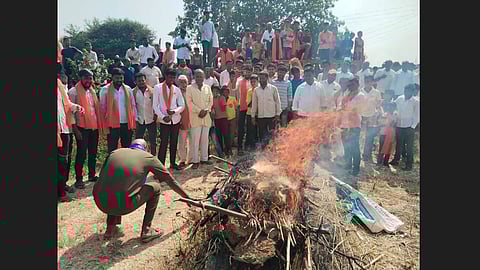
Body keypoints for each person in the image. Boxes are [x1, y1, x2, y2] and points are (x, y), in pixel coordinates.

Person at [92, 138, 192, 241]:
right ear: (145, 148)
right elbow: (170, 181)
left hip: (100, 201)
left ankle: (110, 229)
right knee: (155, 187)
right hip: (122, 205)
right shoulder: (148, 158)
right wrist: (187, 197)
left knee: (115, 182)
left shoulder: (115, 152)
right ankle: (147, 230)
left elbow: (104, 176)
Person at [68, 68, 103, 189]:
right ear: (80, 78)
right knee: (81, 153)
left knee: (93, 152)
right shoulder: (73, 92)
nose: (89, 80)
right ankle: (78, 179)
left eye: (91, 78)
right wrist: (75, 130)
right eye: (86, 78)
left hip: (93, 127)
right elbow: (70, 112)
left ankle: (92, 175)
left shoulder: (92, 91)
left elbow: (94, 109)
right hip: (81, 128)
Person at [58, 74, 85, 201]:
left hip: (64, 130)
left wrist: (77, 107)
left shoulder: (60, 89)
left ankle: (62, 188)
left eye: (65, 84)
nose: (65, 86)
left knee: (63, 161)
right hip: (58, 130)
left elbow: (67, 104)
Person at [152, 68, 185, 170]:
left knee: (174, 142)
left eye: (173, 77)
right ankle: (160, 165)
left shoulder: (177, 89)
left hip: (175, 119)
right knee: (163, 143)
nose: (171, 79)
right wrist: (162, 116)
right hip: (164, 120)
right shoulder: (157, 88)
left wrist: (174, 111)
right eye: (170, 77)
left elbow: (182, 105)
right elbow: (155, 106)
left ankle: (172, 162)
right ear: (165, 76)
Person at [100, 68, 137, 153]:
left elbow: (133, 105)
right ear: (112, 78)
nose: (119, 80)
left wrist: (135, 119)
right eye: (117, 78)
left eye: (121, 78)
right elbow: (103, 108)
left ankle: (126, 165)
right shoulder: (105, 90)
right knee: (112, 148)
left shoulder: (128, 89)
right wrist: (104, 123)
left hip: (126, 122)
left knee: (127, 148)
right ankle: (112, 165)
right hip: (112, 124)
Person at [186, 69, 214, 169]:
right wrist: (199, 111)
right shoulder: (189, 88)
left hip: (206, 117)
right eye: (197, 76)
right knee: (195, 140)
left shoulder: (207, 88)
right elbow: (189, 102)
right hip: (195, 117)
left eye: (201, 76)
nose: (199, 78)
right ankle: (195, 161)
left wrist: (206, 110)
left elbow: (211, 100)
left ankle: (204, 159)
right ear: (194, 77)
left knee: (204, 139)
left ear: (203, 77)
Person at [338, 78, 366, 176]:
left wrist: (345, 110)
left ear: (357, 85)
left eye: (353, 84)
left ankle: (356, 168)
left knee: (354, 147)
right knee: (346, 146)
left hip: (354, 125)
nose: (351, 86)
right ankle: (348, 164)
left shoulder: (360, 96)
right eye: (350, 85)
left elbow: (358, 109)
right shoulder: (347, 95)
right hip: (344, 125)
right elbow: (341, 107)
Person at [389, 84, 419, 171]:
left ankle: (409, 164)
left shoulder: (416, 102)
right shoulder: (400, 98)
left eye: (409, 91)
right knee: (399, 144)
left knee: (409, 146)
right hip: (399, 125)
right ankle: (396, 160)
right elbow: (394, 105)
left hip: (409, 127)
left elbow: (417, 115)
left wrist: (412, 127)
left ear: (413, 91)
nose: (406, 93)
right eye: (405, 90)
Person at [251, 70, 281, 148]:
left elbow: (277, 101)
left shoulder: (273, 88)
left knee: (272, 135)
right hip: (261, 116)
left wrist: (278, 114)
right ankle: (263, 152)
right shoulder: (256, 90)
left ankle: (273, 150)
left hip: (271, 116)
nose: (261, 80)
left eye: (263, 78)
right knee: (262, 135)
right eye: (260, 79)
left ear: (267, 78)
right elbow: (254, 104)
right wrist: (253, 116)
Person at [132, 73, 157, 156]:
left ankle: (153, 158)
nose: (141, 82)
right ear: (135, 82)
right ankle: (139, 158)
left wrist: (156, 115)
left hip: (151, 119)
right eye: (139, 81)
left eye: (143, 80)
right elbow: (132, 107)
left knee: (153, 141)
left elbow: (156, 105)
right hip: (139, 120)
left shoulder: (152, 91)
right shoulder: (133, 92)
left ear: (145, 80)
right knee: (138, 141)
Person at [360, 75, 382, 162]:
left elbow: (379, 105)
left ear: (372, 82)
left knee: (369, 137)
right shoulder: (360, 91)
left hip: (372, 117)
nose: (368, 83)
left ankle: (366, 154)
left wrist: (378, 115)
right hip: (361, 117)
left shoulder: (376, 92)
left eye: (370, 81)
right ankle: (360, 152)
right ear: (364, 82)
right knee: (360, 136)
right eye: (366, 81)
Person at [236, 65, 253, 154]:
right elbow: (237, 95)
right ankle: (239, 147)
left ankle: (248, 146)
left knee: (250, 127)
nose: (247, 73)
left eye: (249, 71)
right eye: (246, 71)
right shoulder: (239, 82)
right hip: (242, 107)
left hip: (251, 108)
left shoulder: (254, 82)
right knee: (241, 128)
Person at [246, 74, 258, 150]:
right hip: (250, 113)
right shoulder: (250, 91)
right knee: (250, 130)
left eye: (254, 82)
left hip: (259, 114)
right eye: (252, 82)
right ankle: (250, 145)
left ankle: (257, 145)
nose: (253, 83)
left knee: (257, 130)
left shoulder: (260, 90)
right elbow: (249, 104)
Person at [224, 86, 238, 156]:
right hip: (224, 120)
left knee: (232, 134)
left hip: (232, 118)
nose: (225, 93)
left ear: (229, 92)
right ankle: (227, 148)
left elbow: (236, 108)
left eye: (227, 91)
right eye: (224, 91)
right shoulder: (221, 99)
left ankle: (230, 149)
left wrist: (237, 118)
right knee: (226, 135)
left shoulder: (232, 99)